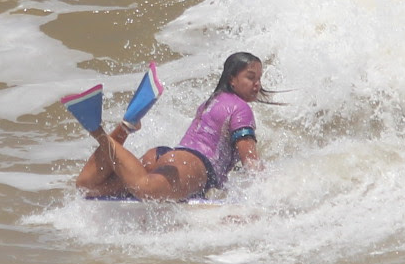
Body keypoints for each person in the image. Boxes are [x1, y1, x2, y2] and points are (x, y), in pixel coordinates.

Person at [74, 52, 265, 201]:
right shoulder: (241, 109)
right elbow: (251, 162)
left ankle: (125, 127)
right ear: (232, 79)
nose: (257, 84)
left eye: (259, 78)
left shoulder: (211, 102)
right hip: (194, 167)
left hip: (167, 156)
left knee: (89, 188)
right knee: (146, 189)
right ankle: (96, 131)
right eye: (250, 77)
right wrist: (266, 195)